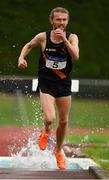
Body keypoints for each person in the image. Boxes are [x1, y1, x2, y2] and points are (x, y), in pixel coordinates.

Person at [18, 7, 79, 169]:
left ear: (68, 21)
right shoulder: (43, 37)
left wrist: (65, 40)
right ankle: (45, 131)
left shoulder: (72, 37)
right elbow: (29, 45)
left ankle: (58, 151)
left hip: (64, 83)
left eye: (64, 20)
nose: (61, 23)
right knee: (50, 118)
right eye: (58, 19)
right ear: (52, 20)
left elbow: (76, 56)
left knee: (64, 121)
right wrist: (21, 57)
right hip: (46, 83)